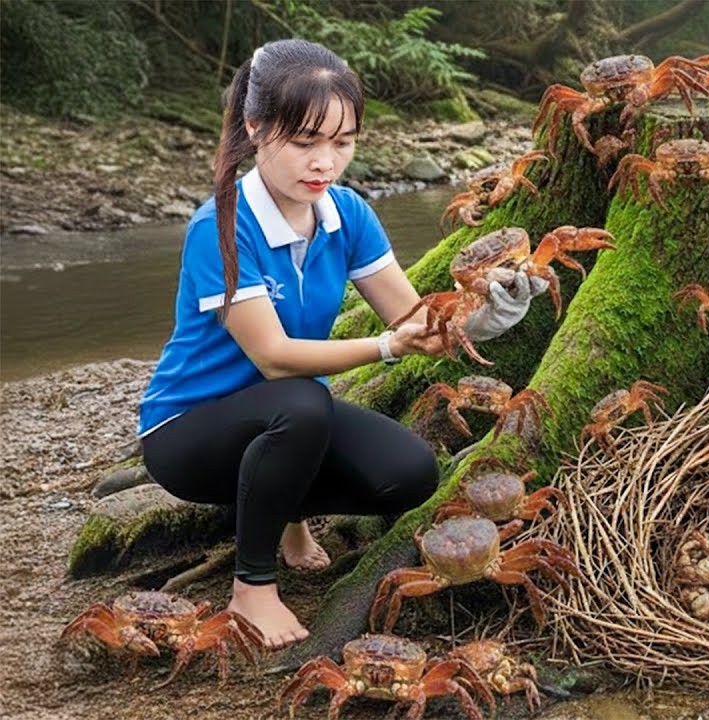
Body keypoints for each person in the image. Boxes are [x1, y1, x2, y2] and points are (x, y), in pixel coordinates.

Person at [137, 39, 545, 649]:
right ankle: (253, 588)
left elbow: (415, 319)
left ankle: (283, 514)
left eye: (343, 142)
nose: (324, 162)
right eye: (305, 142)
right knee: (301, 402)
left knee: (410, 473)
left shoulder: (348, 213)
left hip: (290, 419)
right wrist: (385, 348)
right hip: (189, 432)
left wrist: (491, 315)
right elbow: (272, 357)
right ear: (255, 128)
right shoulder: (219, 227)